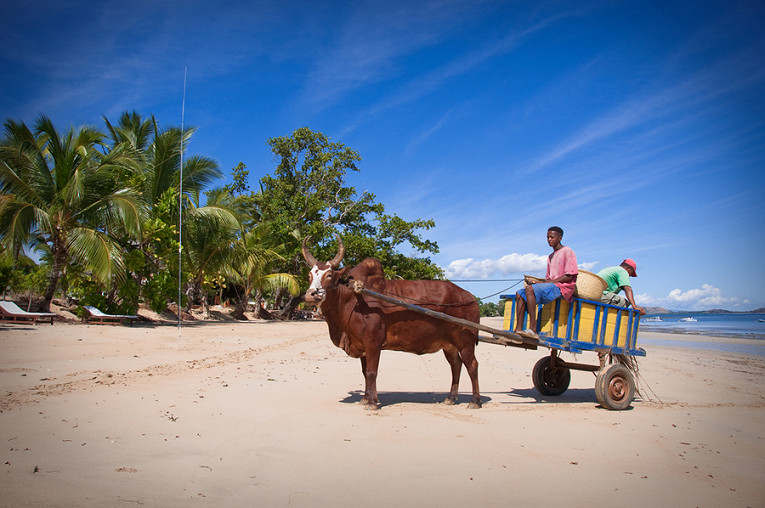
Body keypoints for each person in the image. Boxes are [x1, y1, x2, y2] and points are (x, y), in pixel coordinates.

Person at [513, 226, 578, 339]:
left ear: (560, 238)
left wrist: (541, 284)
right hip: (552, 285)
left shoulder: (568, 251)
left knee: (530, 289)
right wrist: (536, 282)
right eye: (547, 237)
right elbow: (548, 280)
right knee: (519, 293)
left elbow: (569, 276)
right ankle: (518, 329)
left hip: (563, 287)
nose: (549, 240)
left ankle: (533, 329)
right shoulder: (550, 257)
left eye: (552, 237)